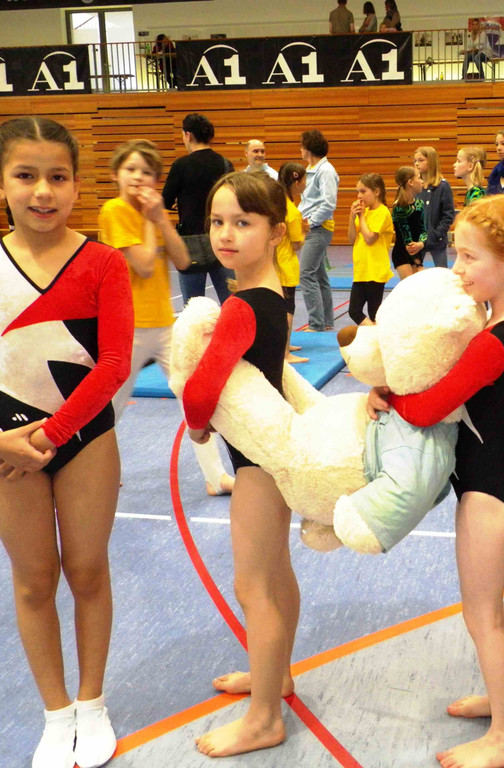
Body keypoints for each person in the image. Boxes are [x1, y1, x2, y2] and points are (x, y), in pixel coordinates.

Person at [0, 117, 134, 768]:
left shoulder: (103, 261)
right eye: (26, 176)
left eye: (58, 177)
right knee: (32, 581)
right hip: (5, 444)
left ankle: (92, 702)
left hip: (84, 438)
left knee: (87, 571)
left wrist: (49, 435)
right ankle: (56, 714)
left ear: (77, 184)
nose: (43, 191)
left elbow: (114, 363)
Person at [368, 194, 504, 768]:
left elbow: (431, 408)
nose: (456, 269)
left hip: (491, 492)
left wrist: (388, 394)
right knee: (488, 610)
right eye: (456, 254)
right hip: (489, 484)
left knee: (482, 615)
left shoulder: (500, 339)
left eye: (468, 257)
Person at [182, 171, 299, 758]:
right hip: (271, 456)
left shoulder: (243, 305)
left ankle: (264, 719)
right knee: (276, 576)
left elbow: (203, 387)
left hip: (256, 462)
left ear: (275, 232)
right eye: (217, 221)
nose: (225, 234)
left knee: (252, 585)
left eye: (242, 223)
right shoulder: (273, 294)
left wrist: (198, 424)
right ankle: (277, 676)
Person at [100, 139, 234, 498]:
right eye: (130, 169)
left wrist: (161, 218)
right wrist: (151, 219)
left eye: (146, 172)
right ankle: (95, 470)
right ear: (115, 174)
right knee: (108, 407)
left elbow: (183, 260)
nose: (138, 177)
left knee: (192, 396)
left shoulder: (153, 213)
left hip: (163, 324)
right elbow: (144, 265)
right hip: (126, 328)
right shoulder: (114, 211)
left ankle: (215, 476)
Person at [162, 113, 235, 306]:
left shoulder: (181, 165)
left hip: (191, 242)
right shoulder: (225, 164)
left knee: (192, 308)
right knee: (232, 303)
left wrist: (180, 203)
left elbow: (164, 200)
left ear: (188, 135)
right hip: (222, 238)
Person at [298, 129, 338, 331]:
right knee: (320, 276)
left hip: (319, 228)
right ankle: (327, 321)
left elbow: (329, 203)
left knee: (305, 274)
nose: (300, 149)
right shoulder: (311, 169)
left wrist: (311, 222)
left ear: (309, 148)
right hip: (312, 227)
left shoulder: (326, 170)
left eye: (302, 146)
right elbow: (308, 201)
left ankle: (316, 323)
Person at [348, 173, 393, 324]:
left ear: (376, 191)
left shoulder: (382, 212)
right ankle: (374, 332)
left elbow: (369, 238)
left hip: (375, 270)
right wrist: (352, 217)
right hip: (361, 270)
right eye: (358, 192)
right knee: (354, 311)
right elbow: (351, 239)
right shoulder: (364, 211)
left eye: (363, 191)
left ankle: (377, 334)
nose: (359, 196)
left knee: (374, 313)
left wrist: (361, 217)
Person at [277, 162, 309, 363]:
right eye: (304, 180)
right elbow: (297, 244)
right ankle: (284, 353)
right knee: (288, 309)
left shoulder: (276, 204)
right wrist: (304, 231)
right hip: (286, 264)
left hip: (273, 263)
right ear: (296, 183)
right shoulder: (292, 211)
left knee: (280, 308)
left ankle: (285, 345)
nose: (306, 184)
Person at [413, 146, 456, 268]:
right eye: (415, 161)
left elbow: (448, 215)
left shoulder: (443, 186)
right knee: (415, 273)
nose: (416, 164)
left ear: (431, 161)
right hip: (418, 240)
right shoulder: (415, 187)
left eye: (421, 160)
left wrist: (437, 234)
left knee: (441, 273)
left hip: (437, 240)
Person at [390, 165, 426, 279]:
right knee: (410, 285)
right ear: (410, 182)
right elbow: (407, 239)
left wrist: (421, 243)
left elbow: (423, 229)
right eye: (419, 178)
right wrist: (418, 264)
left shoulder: (419, 204)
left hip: (416, 250)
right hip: (402, 253)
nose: (422, 181)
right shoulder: (399, 207)